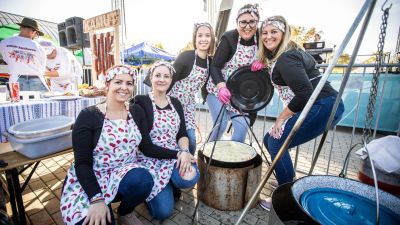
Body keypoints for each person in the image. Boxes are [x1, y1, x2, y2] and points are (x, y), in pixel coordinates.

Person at [60, 65, 184, 225]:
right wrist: (96, 199)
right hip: (91, 177)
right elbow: (82, 163)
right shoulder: (88, 116)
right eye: (118, 82)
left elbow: (147, 148)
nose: (124, 88)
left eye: (129, 83)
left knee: (144, 180)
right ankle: (102, 204)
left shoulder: (136, 111)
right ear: (107, 85)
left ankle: (125, 212)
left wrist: (178, 153)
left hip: (123, 173)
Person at [251, 15, 344, 210]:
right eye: (264, 33)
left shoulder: (286, 58)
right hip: (320, 105)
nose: (268, 36)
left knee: (277, 142)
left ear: (284, 33)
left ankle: (287, 198)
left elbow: (304, 94)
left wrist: (281, 118)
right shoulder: (284, 55)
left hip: (322, 106)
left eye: (273, 32)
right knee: (270, 140)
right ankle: (288, 180)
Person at [133, 61, 199, 221]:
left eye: (166, 76)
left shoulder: (175, 103)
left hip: (173, 156)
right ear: (151, 77)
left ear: (171, 80)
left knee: (189, 178)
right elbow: (146, 147)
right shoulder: (140, 101)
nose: (161, 79)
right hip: (150, 159)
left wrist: (184, 151)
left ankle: (171, 182)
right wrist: (178, 154)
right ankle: (154, 190)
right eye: (158, 75)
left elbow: (182, 134)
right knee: (163, 213)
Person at [206, 3, 260, 142]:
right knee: (220, 125)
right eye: (243, 22)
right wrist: (222, 87)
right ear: (237, 22)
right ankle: (206, 155)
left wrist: (264, 62)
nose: (247, 26)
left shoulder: (262, 38)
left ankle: (231, 162)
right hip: (219, 92)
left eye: (252, 22)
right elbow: (215, 66)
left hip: (241, 97)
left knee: (242, 130)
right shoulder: (229, 37)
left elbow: (273, 58)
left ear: (257, 22)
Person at [168, 22, 215, 154]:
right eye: (200, 35)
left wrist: (208, 98)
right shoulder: (186, 56)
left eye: (207, 35)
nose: (203, 39)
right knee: (171, 138)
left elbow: (207, 85)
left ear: (212, 39)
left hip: (188, 104)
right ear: (195, 38)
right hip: (172, 101)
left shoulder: (210, 62)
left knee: (191, 140)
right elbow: (170, 79)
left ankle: (191, 164)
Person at [0, 17, 48, 91]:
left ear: (20, 28)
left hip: (16, 79)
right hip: (37, 80)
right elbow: (42, 68)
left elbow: (5, 58)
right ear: (34, 32)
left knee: (16, 102)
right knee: (41, 102)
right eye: (37, 34)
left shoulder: (5, 43)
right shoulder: (40, 48)